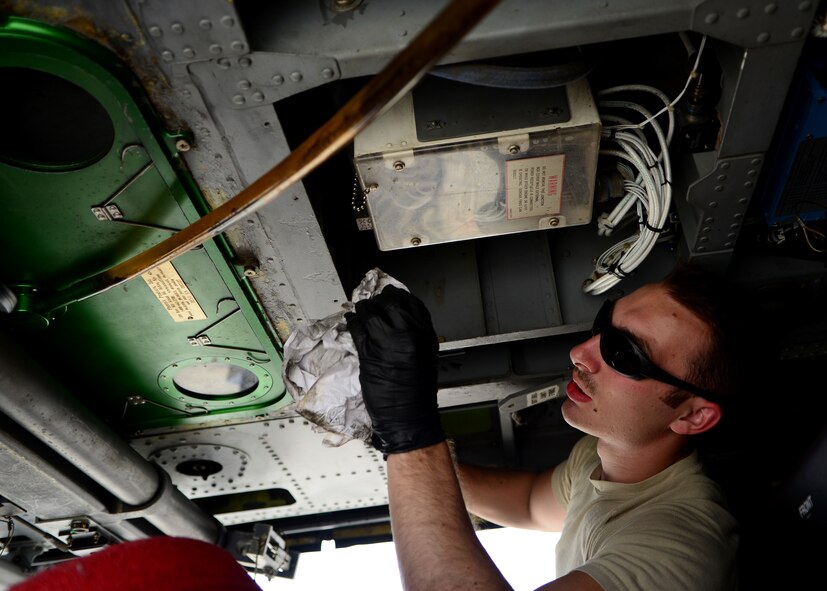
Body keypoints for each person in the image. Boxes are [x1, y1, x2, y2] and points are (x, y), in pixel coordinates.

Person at [345, 264, 748, 590]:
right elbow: (528, 504)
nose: (580, 353)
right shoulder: (600, 456)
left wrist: (409, 436)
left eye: (624, 353)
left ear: (693, 416)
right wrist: (393, 440)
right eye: (603, 326)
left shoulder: (681, 549)